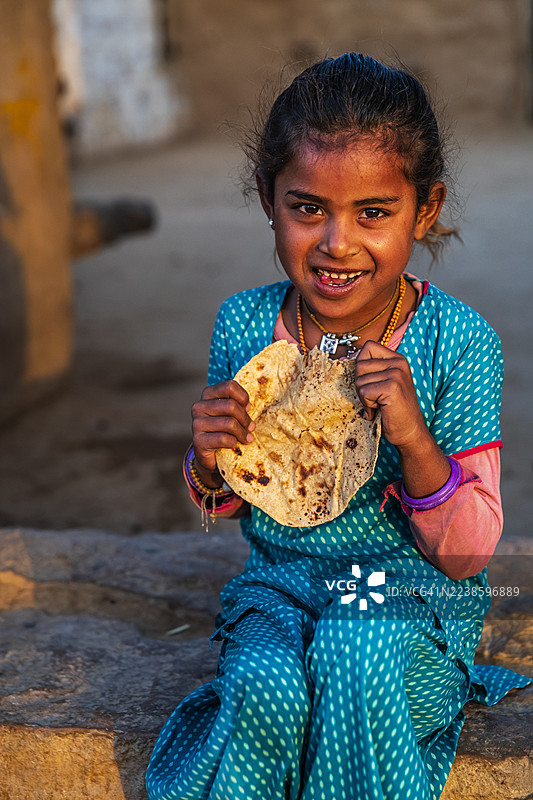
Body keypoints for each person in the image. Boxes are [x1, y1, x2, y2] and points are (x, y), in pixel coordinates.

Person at [146, 53, 531, 800]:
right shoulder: (245, 326)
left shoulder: (458, 342)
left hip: (408, 605)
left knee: (352, 652)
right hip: (280, 591)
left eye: (373, 213)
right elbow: (229, 503)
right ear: (269, 198)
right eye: (307, 208)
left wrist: (413, 437)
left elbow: (468, 554)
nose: (336, 243)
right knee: (264, 689)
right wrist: (207, 459)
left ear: (424, 209)